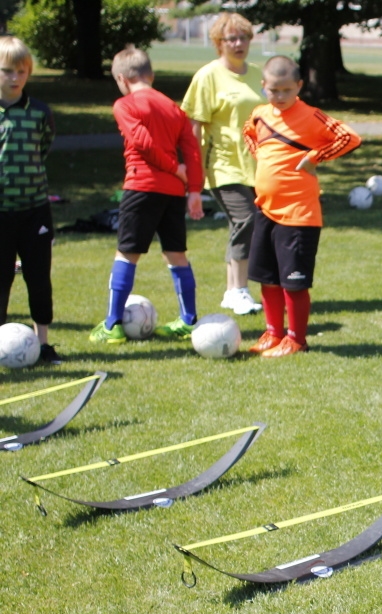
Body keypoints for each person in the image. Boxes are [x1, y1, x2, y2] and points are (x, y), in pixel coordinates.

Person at [242, 56, 361, 358]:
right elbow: (248, 132)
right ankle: (273, 333)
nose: (279, 97)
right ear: (263, 87)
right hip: (265, 209)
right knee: (267, 278)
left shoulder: (310, 116)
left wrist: (315, 158)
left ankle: (296, 340)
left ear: (299, 86)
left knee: (292, 283)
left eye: (285, 90)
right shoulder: (259, 115)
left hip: (298, 214)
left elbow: (349, 137)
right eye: (272, 90)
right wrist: (261, 156)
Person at [89, 48, 204, 345]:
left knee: (127, 253)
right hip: (174, 193)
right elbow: (193, 149)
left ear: (120, 78)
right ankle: (188, 320)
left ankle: (113, 325)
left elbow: (142, 143)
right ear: (150, 76)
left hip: (141, 187)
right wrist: (193, 189)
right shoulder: (174, 109)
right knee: (176, 254)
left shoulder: (124, 105)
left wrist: (174, 168)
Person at [181, 12, 265, 316]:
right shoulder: (207, 76)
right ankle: (239, 289)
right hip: (222, 164)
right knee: (247, 219)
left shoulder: (258, 74)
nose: (239, 43)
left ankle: (232, 291)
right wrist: (195, 171)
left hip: (256, 165)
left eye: (243, 37)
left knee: (241, 224)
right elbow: (194, 128)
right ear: (219, 43)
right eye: (231, 38)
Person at [0, 36, 60, 364]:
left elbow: (44, 148)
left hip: (35, 210)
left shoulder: (39, 112)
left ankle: (43, 343)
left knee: (38, 277)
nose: (15, 77)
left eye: (21, 71)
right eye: (7, 70)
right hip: (1, 213)